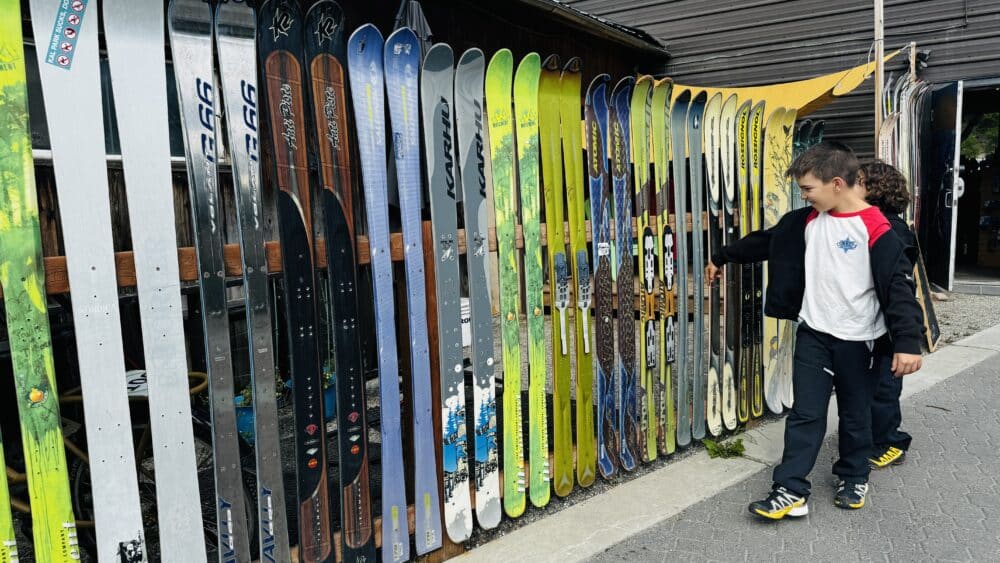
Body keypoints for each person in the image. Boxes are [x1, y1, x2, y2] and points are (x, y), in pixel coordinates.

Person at [706, 141, 923, 520]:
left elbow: (899, 288)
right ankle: (789, 489)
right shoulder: (804, 221)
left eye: (808, 189)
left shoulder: (877, 227)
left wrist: (908, 342)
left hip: (861, 341)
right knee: (806, 413)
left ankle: (854, 475)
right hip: (815, 335)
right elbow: (765, 240)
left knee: (856, 414)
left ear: (837, 183)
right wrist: (721, 256)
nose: (804, 196)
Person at [858, 160, 918, 469]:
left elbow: (902, 284)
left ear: (873, 189)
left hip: (889, 323)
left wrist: (907, 337)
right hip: (874, 320)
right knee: (874, 384)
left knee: (884, 386)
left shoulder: (889, 228)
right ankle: (871, 434)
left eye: (860, 182)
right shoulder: (884, 223)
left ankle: (891, 442)